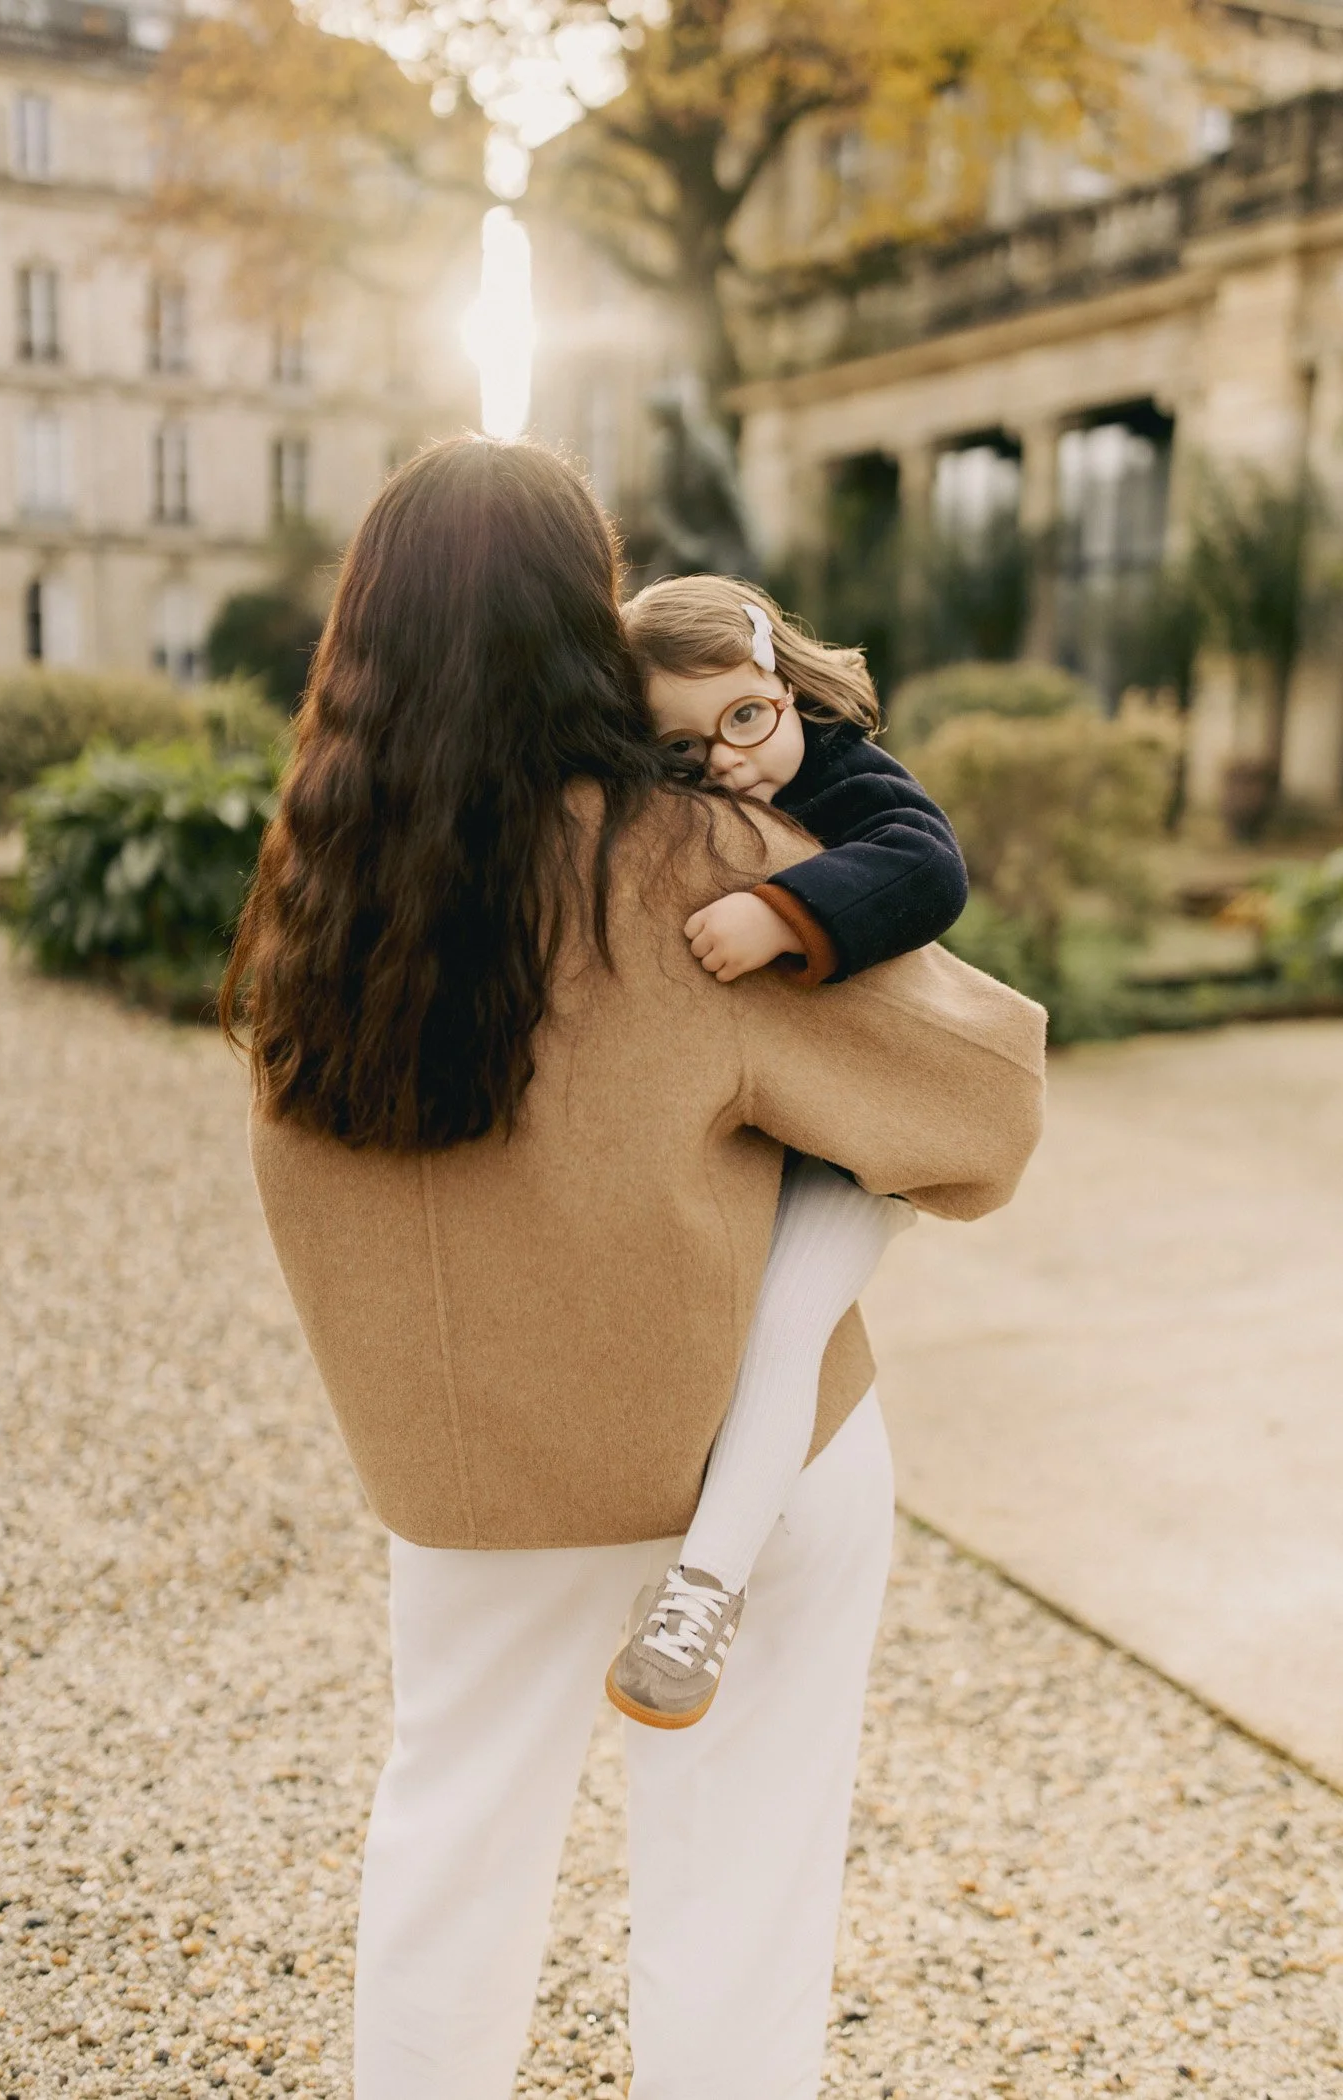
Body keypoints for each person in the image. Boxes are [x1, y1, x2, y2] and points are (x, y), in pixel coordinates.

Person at [223, 435, 1046, 2100]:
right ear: (580, 623)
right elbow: (987, 1102)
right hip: (739, 1463)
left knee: (447, 1854)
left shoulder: (315, 890)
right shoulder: (683, 857)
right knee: (738, 1893)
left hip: (466, 1490)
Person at [608, 574, 970, 1727]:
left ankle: (697, 1600)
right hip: (769, 1117)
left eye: (744, 719)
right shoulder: (678, 793)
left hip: (863, 1135)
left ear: (780, 683)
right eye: (680, 747)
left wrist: (782, 912)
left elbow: (927, 862)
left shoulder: (841, 768)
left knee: (781, 1322)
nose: (725, 759)